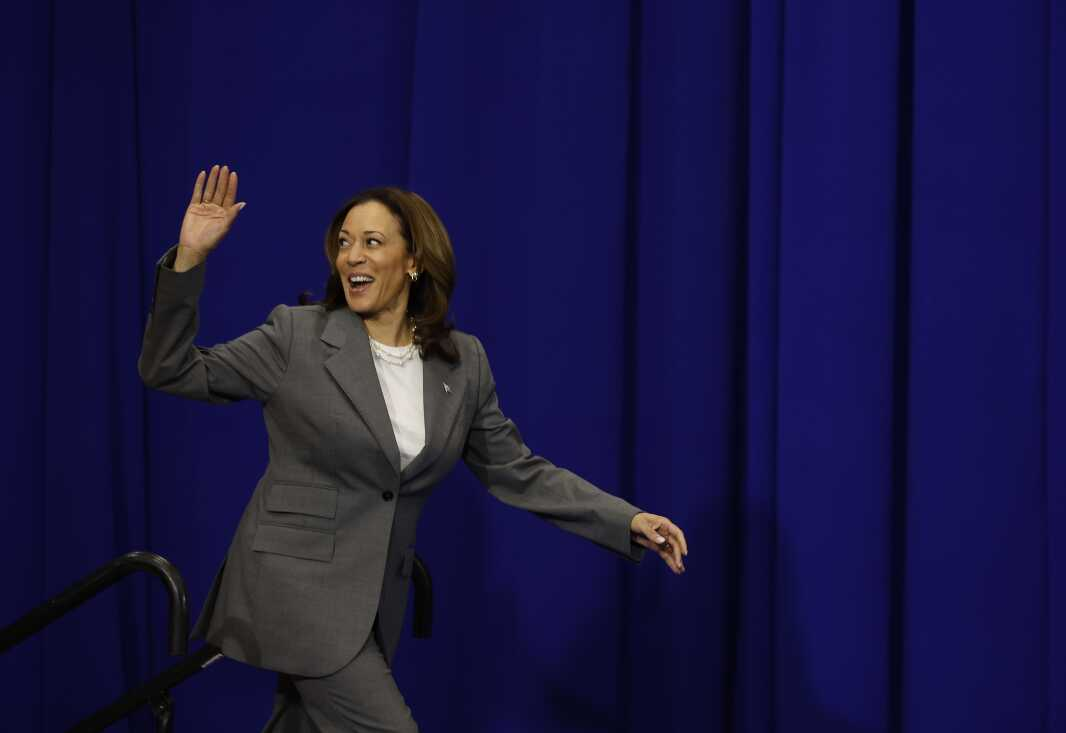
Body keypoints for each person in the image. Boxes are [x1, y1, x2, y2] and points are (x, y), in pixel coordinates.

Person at [138, 164, 689, 732]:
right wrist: (190, 259)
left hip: (373, 600)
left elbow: (517, 470)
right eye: (344, 243)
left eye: (372, 243)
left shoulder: (462, 362)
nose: (352, 256)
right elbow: (171, 370)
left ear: (414, 261)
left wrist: (625, 520)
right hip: (295, 592)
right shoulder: (297, 336)